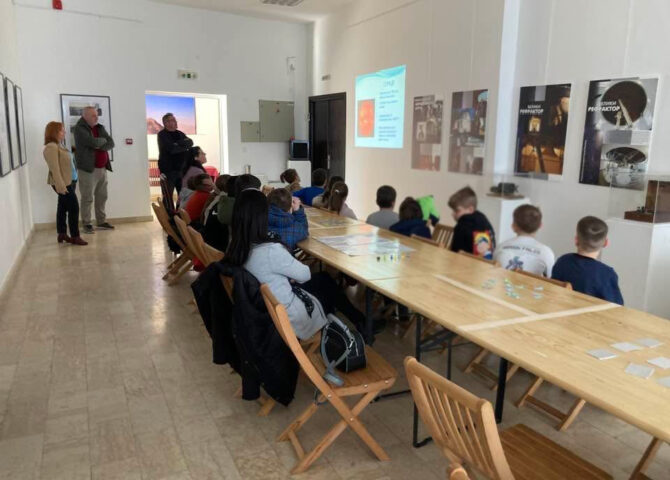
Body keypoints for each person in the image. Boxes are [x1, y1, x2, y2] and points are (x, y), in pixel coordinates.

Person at [226, 189, 367, 338]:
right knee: (327, 285)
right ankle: (343, 329)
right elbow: (305, 274)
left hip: (263, 309)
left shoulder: (237, 246)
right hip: (290, 317)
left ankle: (354, 322)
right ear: (261, 216)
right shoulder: (270, 250)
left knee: (324, 279)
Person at [552, 216, 623, 304]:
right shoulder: (607, 274)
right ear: (606, 243)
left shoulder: (562, 262)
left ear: (576, 240)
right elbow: (617, 307)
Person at [43, 121, 87, 246]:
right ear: (54, 132)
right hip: (63, 183)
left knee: (62, 207)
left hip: (69, 181)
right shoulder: (51, 147)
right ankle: (75, 236)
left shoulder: (59, 145)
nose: (64, 132)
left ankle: (62, 233)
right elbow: (55, 169)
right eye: (62, 130)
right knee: (74, 208)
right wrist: (61, 186)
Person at [73, 106, 115, 234]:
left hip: (102, 168)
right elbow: (92, 142)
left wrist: (99, 145)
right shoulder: (79, 128)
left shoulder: (100, 127)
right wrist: (100, 142)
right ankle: (87, 223)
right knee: (87, 197)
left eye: (97, 115)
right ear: (85, 116)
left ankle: (101, 222)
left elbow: (111, 143)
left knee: (102, 196)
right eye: (93, 115)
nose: (96, 118)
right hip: (87, 169)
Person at [494, 204, 555, 276]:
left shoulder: (500, 247)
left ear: (513, 226)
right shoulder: (546, 253)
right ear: (540, 225)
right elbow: (551, 278)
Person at [448, 186, 495, 259]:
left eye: (457, 210)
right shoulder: (483, 219)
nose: (453, 214)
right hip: (486, 263)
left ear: (470, 209)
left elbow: (455, 252)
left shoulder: (461, 226)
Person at [157, 112, 193, 198]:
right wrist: (183, 146)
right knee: (167, 197)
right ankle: (168, 208)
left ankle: (179, 208)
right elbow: (171, 149)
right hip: (168, 171)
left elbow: (190, 142)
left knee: (183, 196)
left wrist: (177, 144)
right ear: (166, 123)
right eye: (172, 120)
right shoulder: (162, 135)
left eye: (174, 120)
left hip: (182, 170)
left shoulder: (180, 133)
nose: (175, 122)